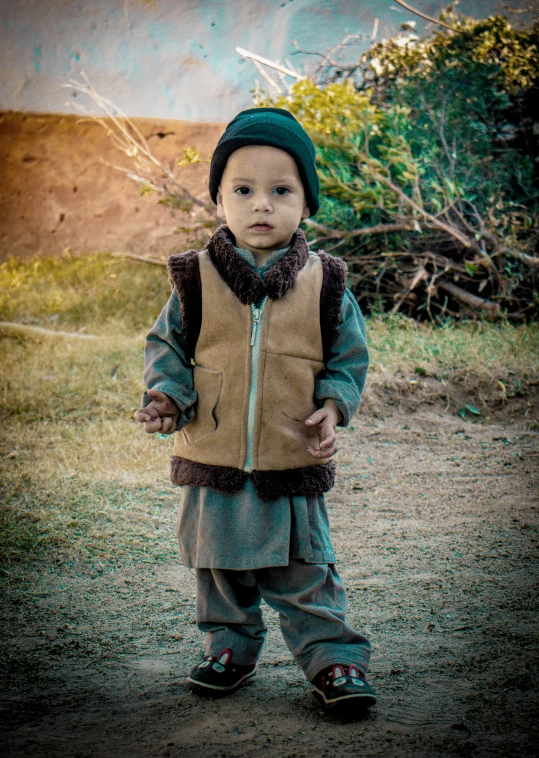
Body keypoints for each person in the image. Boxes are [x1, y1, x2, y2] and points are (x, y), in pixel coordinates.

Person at [134, 107, 375, 710]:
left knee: (305, 569)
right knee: (217, 568)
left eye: (280, 190)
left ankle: (334, 660)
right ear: (219, 200)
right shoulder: (195, 279)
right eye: (243, 190)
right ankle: (228, 648)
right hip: (212, 454)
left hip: (291, 455)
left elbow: (350, 357)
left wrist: (334, 403)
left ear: (306, 204)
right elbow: (168, 348)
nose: (261, 204)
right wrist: (167, 398)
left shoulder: (326, 283)